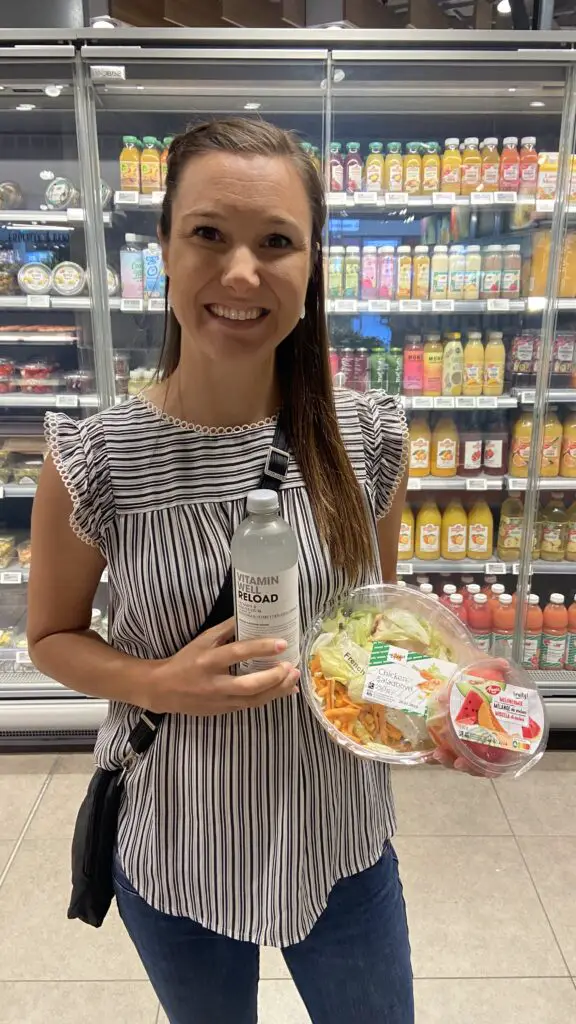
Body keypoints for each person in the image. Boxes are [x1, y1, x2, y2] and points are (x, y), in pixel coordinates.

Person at [28, 118, 414, 1024]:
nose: (243, 274)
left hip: (340, 838)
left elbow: (381, 625)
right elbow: (50, 638)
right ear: (162, 247)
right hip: (178, 840)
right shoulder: (96, 456)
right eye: (208, 233)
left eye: (276, 242)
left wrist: (437, 707)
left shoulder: (367, 439)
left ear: (312, 266)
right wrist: (159, 682)